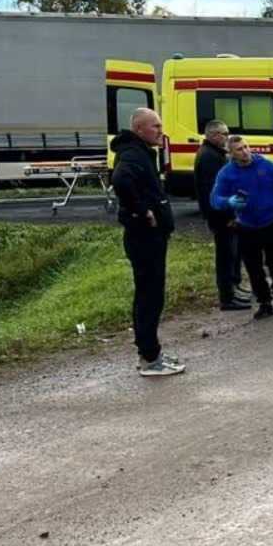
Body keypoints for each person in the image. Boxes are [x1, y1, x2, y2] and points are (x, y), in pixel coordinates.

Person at [110, 106, 183, 377]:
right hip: (144, 237)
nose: (160, 131)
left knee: (152, 294)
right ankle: (150, 358)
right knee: (149, 297)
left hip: (151, 236)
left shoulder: (140, 152)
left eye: (160, 125)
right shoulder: (131, 154)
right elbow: (121, 180)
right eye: (155, 126)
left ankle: (152, 353)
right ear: (139, 129)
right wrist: (143, 211)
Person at [211, 134, 273, 320]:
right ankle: (265, 302)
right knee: (254, 268)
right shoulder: (227, 173)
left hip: (272, 221)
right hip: (247, 226)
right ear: (231, 154)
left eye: (246, 147)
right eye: (239, 149)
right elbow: (214, 199)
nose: (245, 151)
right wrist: (228, 201)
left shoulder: (266, 166)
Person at [193, 120, 249, 310]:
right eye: (224, 134)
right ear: (213, 135)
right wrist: (228, 215)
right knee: (225, 256)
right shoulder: (210, 157)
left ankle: (234, 288)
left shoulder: (216, 154)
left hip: (224, 213)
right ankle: (227, 297)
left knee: (233, 254)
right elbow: (215, 190)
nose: (227, 137)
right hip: (220, 216)